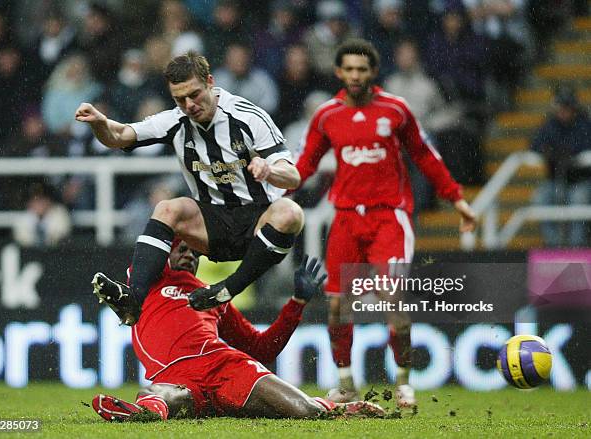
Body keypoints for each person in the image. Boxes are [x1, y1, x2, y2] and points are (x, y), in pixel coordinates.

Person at [295, 39, 477, 407]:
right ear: (339, 72)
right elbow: (305, 166)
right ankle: (345, 383)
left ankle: (404, 381)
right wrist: (276, 190)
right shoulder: (327, 115)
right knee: (337, 306)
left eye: (363, 69)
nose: (356, 75)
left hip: (389, 217)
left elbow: (425, 155)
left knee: (392, 298)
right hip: (345, 218)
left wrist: (456, 198)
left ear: (373, 72)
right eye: (350, 69)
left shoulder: (396, 110)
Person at [74, 51, 304, 317]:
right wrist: (100, 123)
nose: (189, 104)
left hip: (258, 224)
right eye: (180, 99)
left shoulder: (248, 118)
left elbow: (293, 176)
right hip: (213, 225)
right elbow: (120, 135)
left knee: (291, 212)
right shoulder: (175, 119)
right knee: (168, 207)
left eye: (194, 94)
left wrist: (269, 170)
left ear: (210, 82)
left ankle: (228, 288)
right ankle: (132, 299)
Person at [91, 243, 384, 420]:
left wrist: (297, 302)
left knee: (306, 412)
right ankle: (142, 414)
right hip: (177, 375)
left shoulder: (212, 296)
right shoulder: (147, 283)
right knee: (165, 394)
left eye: (195, 253)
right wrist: (123, 296)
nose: (190, 256)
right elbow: (148, 252)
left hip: (226, 367)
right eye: (182, 249)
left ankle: (335, 406)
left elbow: (262, 349)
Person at [530, 86, 591, 247]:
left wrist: (568, 153)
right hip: (554, 179)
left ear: (574, 108)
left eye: (567, 107)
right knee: (539, 199)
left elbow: (585, 146)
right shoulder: (550, 124)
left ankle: (576, 246)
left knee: (579, 201)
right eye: (561, 107)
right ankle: (554, 244)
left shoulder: (584, 124)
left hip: (579, 179)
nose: (564, 111)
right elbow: (535, 145)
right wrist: (550, 152)